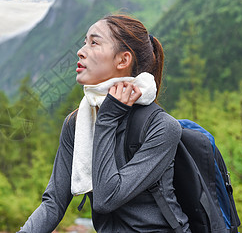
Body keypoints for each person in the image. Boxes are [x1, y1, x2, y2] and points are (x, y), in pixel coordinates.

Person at [18, 15, 190, 232]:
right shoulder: (77, 122)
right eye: (84, 42)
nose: (81, 51)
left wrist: (108, 118)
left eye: (94, 42)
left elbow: (107, 198)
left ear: (122, 60)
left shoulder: (161, 126)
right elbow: (54, 203)